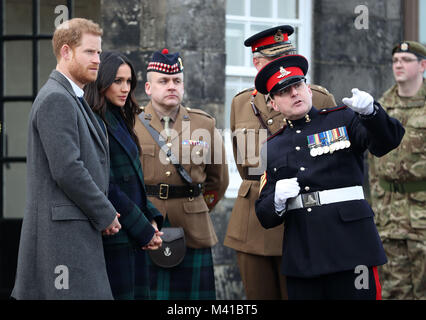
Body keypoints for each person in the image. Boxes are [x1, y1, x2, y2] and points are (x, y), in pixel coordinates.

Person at [254, 54, 405, 299]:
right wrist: (277, 201)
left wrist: (371, 113)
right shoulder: (272, 147)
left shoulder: (343, 119)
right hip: (305, 257)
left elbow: (387, 142)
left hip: (352, 248)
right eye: (284, 91)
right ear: (273, 104)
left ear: (309, 89)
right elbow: (264, 215)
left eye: (298, 85)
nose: (294, 93)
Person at [223, 25, 336, 299]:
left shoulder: (317, 97)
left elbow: (335, 160)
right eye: (274, 61)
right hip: (254, 222)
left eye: (288, 57)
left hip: (303, 218)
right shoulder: (241, 103)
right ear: (257, 63)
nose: (282, 68)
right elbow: (244, 166)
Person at [11, 18, 121, 300]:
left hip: (73, 232)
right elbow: (67, 169)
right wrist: (105, 213)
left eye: (99, 52)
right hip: (62, 240)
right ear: (66, 52)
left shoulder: (72, 96)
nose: (97, 59)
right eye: (89, 52)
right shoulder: (56, 99)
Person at [134, 49, 229, 300]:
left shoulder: (203, 124)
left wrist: (196, 207)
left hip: (193, 229)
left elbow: (218, 180)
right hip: (146, 227)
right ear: (148, 87)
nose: (171, 86)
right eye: (163, 81)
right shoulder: (131, 124)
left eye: (177, 81)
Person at [84, 51, 164, 299]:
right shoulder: (95, 121)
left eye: (129, 82)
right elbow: (106, 184)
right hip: (115, 233)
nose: (125, 88)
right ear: (102, 81)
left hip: (131, 232)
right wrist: (143, 228)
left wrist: (150, 217)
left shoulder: (120, 118)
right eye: (118, 81)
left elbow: (134, 181)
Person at [369, 41, 426, 300]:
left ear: (422, 65)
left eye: (406, 59)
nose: (399, 65)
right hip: (389, 217)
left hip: (422, 215)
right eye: (395, 60)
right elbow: (372, 165)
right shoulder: (381, 106)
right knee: (394, 291)